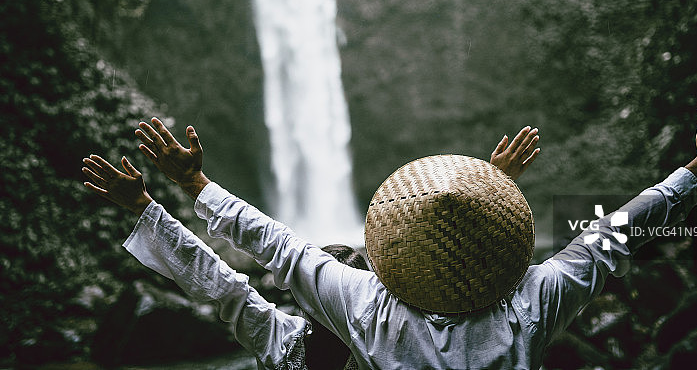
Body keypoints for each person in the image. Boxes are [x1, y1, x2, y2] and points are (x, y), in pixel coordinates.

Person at [89, 90, 697, 369]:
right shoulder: (529, 309)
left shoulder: (360, 316)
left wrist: (180, 192)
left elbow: (251, 266)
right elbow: (611, 238)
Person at [83, 125, 540, 369]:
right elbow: (457, 281)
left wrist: (152, 203)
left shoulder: (285, 343)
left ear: (311, 302)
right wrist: (490, 190)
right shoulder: (398, 332)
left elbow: (218, 282)